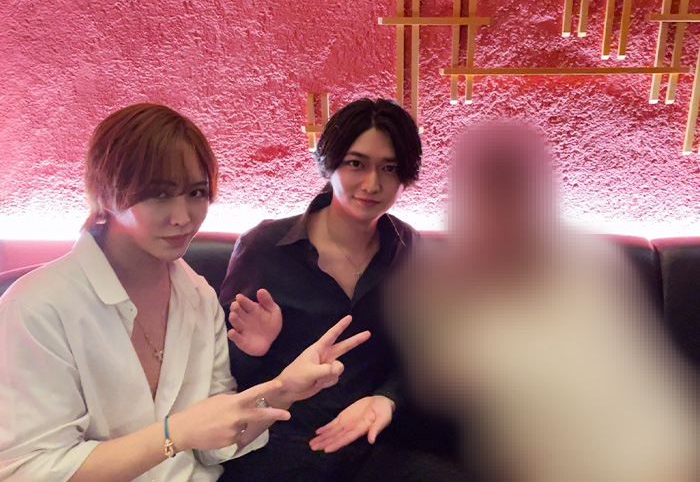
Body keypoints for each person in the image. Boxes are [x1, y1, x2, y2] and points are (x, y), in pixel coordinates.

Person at [0, 103, 370, 482]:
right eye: (160, 195)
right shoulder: (37, 308)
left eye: (196, 192)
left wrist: (283, 390)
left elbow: (214, 445)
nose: (183, 217)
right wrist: (173, 434)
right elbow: (29, 471)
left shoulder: (197, 296)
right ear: (107, 193)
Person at [388, 120, 699, 482]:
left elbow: (639, 393)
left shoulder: (587, 267)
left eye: (515, 194)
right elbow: (443, 383)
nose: (504, 215)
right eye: (488, 197)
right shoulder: (436, 286)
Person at [218, 98, 466, 481]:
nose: (372, 184)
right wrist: (253, 350)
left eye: (389, 168)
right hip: (278, 444)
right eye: (356, 164)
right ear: (329, 163)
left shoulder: (407, 249)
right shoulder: (265, 247)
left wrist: (386, 399)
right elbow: (218, 375)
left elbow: (424, 349)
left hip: (370, 441)